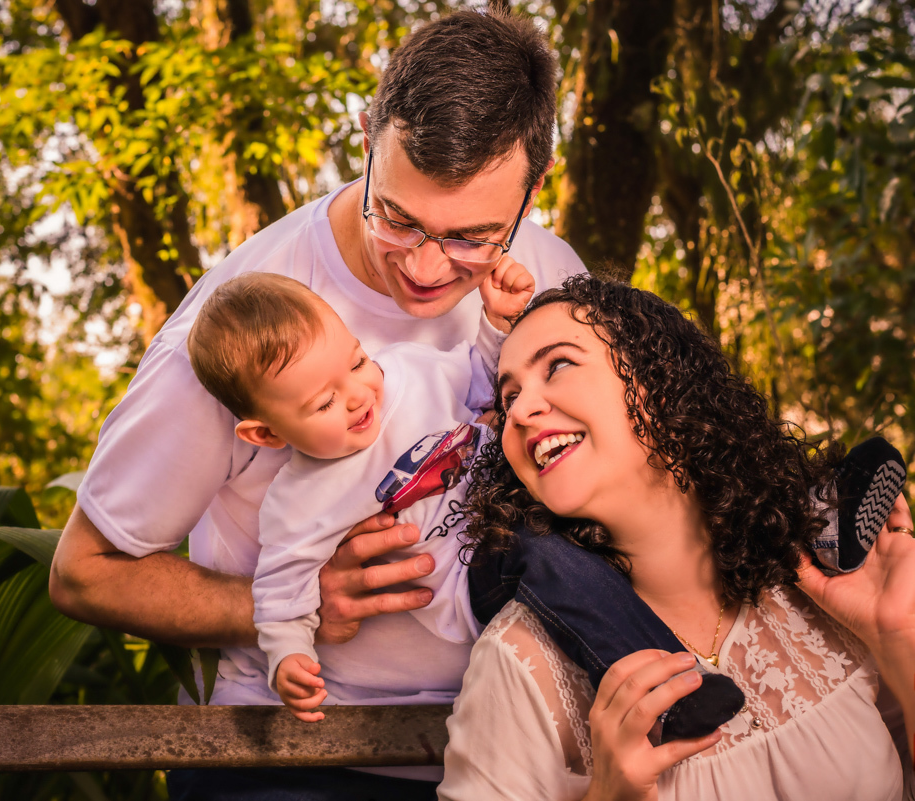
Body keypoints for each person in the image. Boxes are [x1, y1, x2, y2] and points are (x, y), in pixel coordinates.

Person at [50, 10, 585, 798]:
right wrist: (296, 605)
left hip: (508, 746)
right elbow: (84, 574)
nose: (431, 268)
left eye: (472, 235)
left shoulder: (550, 274)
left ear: (534, 189)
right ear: (367, 138)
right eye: (398, 218)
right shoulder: (234, 332)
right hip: (294, 756)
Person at [438, 275, 915, 801]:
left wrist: (898, 640)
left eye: (559, 365)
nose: (521, 411)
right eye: (509, 399)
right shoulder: (522, 663)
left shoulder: (822, 598)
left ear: (662, 383)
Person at [187, 271, 525, 720]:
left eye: (356, 362)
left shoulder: (408, 369)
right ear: (266, 433)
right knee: (559, 569)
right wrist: (289, 655)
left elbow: (482, 377)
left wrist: (497, 324)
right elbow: (282, 591)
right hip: (475, 575)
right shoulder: (300, 501)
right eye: (324, 403)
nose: (358, 395)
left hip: (523, 504)